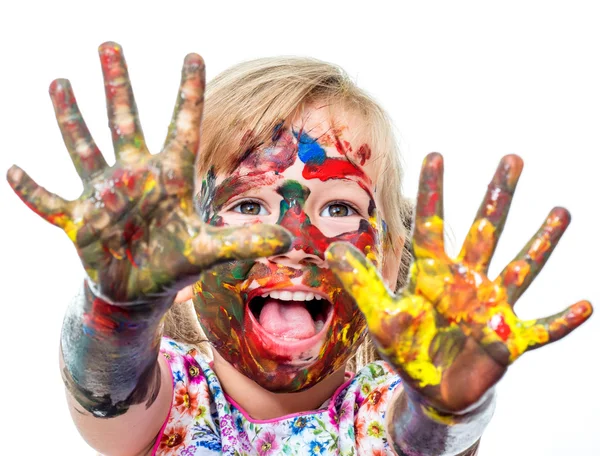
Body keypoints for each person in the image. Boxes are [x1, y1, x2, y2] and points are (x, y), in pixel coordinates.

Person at [7, 42, 592, 456]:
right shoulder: (170, 404)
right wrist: (118, 308)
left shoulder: (381, 415)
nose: (295, 242)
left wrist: (451, 404)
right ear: (181, 264)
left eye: (340, 210)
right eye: (248, 205)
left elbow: (429, 441)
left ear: (389, 262)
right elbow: (103, 391)